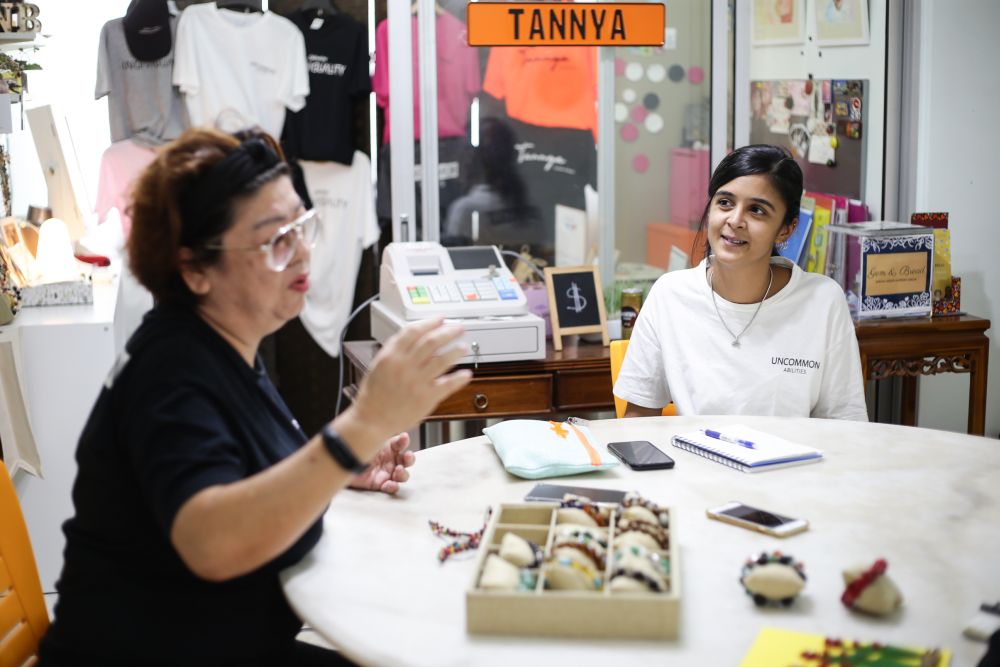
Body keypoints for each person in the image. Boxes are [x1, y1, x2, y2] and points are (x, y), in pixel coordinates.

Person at [38, 127, 472, 666]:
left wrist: (341, 468)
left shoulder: (224, 346)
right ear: (195, 268)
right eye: (276, 240)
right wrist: (356, 430)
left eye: (302, 226)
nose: (303, 253)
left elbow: (241, 464)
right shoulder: (171, 375)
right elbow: (210, 542)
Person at [614, 144, 867, 420]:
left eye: (756, 210)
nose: (735, 221)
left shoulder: (823, 301)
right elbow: (638, 420)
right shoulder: (670, 295)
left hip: (793, 451)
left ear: (786, 229)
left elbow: (845, 424)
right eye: (725, 202)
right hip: (696, 449)